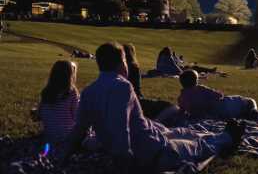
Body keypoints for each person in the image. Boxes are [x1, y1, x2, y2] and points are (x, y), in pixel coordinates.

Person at [63, 42, 245, 172]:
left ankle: (219, 134)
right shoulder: (122, 87)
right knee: (197, 146)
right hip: (158, 152)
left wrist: (61, 156)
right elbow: (121, 130)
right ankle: (228, 136)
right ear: (122, 63)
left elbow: (79, 129)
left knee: (184, 133)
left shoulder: (88, 92)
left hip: (155, 136)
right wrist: (124, 162)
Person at [178, 69, 258, 119]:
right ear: (196, 81)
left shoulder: (181, 98)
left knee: (244, 109)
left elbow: (182, 112)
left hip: (220, 115)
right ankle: (254, 112)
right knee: (250, 101)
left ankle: (248, 113)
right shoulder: (200, 89)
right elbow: (219, 96)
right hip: (226, 106)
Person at [39, 60, 79, 143]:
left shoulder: (46, 92)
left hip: (49, 135)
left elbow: (40, 114)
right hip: (67, 136)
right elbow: (77, 117)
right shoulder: (71, 93)